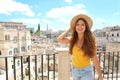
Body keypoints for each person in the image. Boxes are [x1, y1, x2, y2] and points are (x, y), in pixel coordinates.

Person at [57, 14, 103, 80]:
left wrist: (101, 77)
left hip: (87, 71)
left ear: (86, 26)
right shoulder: (73, 39)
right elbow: (59, 39)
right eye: (77, 24)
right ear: (75, 27)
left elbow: (95, 59)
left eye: (82, 25)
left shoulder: (91, 41)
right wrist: (70, 28)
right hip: (75, 70)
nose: (80, 27)